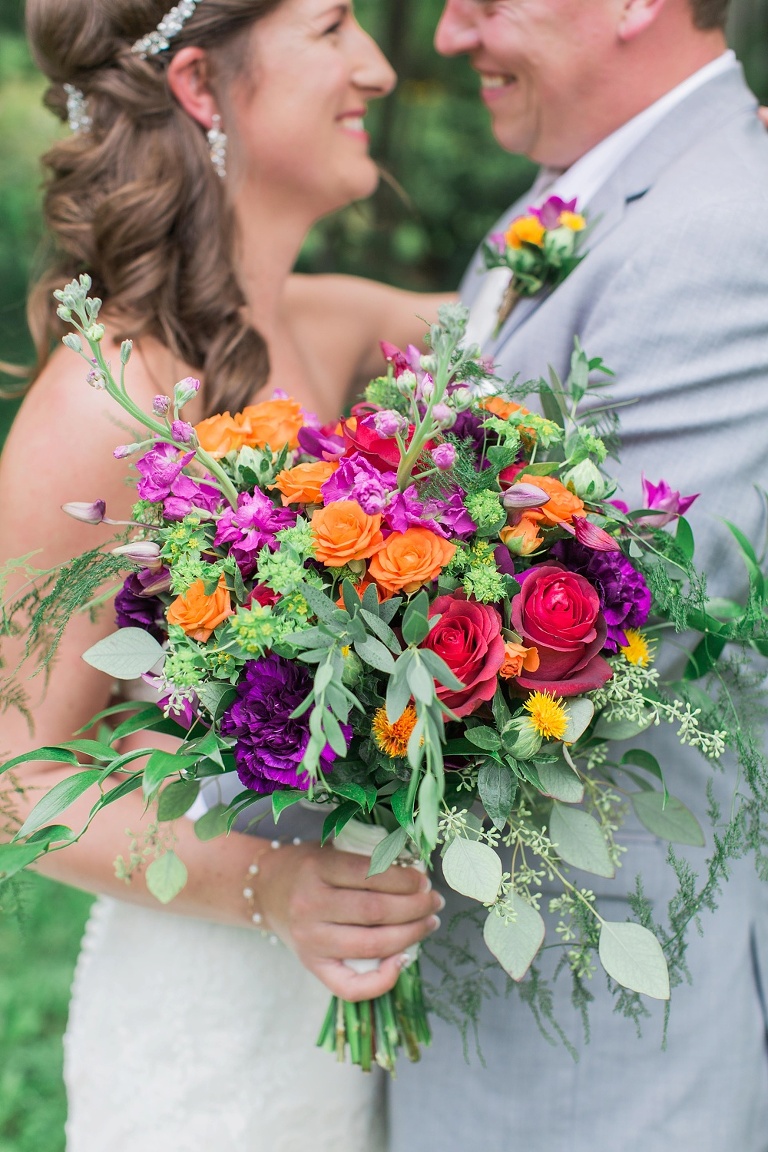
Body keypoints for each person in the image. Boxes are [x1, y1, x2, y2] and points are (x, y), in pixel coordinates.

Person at [0, 1, 447, 1148]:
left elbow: (558, 307)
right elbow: (8, 782)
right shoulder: (105, 403)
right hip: (210, 1035)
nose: (380, 68)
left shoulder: (338, 325)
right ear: (200, 85)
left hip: (378, 1004)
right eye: (336, 25)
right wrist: (274, 890)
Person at [389, 1, 768, 1150]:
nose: (452, 38)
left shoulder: (723, 226)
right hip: (499, 986)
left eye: (486, 2)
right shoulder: (569, 201)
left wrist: (241, 746)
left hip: (598, 1022)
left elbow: (603, 610)